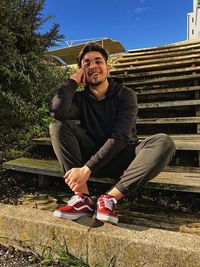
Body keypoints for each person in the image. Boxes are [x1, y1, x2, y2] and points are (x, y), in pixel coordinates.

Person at [49, 42, 176, 225]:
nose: (93, 66)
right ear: (82, 71)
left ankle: (109, 198)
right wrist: (73, 80)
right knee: (57, 126)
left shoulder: (126, 95)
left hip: (124, 158)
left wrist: (87, 169)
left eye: (98, 61)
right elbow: (56, 111)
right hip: (93, 154)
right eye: (86, 63)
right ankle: (82, 198)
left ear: (108, 68)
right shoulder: (80, 99)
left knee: (163, 142)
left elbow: (120, 137)